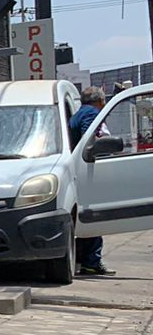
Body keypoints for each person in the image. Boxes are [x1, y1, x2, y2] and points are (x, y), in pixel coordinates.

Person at [69, 85, 114, 276]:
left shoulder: (80, 112)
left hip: (81, 171)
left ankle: (84, 259)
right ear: (100, 101)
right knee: (94, 216)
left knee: (87, 216)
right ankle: (91, 261)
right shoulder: (90, 114)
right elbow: (90, 141)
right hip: (88, 170)